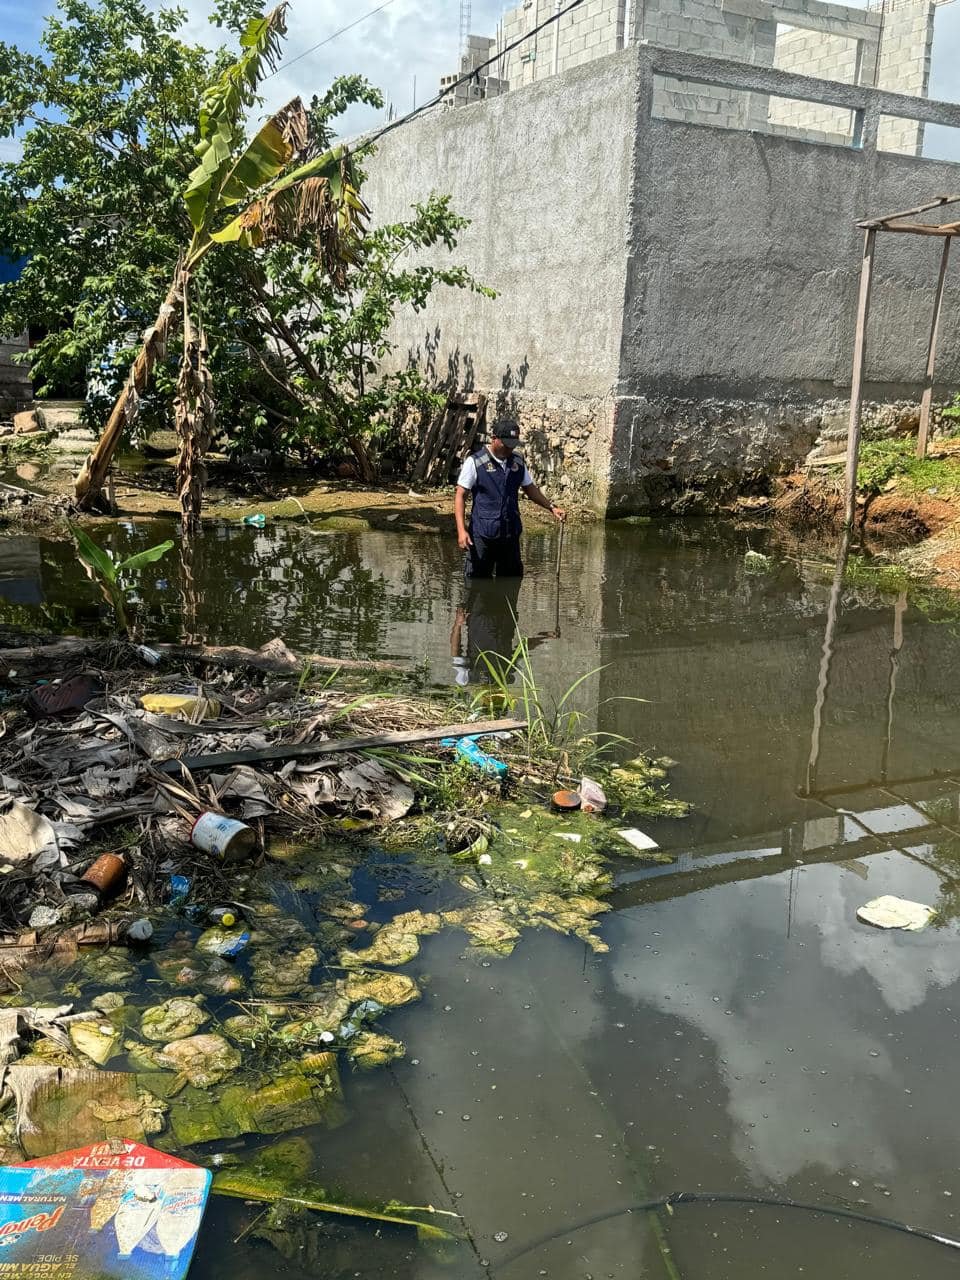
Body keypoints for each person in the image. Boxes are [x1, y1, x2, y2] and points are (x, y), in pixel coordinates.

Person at [454, 419, 565, 579]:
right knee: (477, 584)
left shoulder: (517, 462)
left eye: (513, 444)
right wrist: (461, 530)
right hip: (483, 535)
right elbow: (460, 495)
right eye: (505, 444)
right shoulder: (476, 462)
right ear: (494, 438)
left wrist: (551, 507)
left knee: (511, 581)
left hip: (510, 534)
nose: (509, 448)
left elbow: (530, 488)